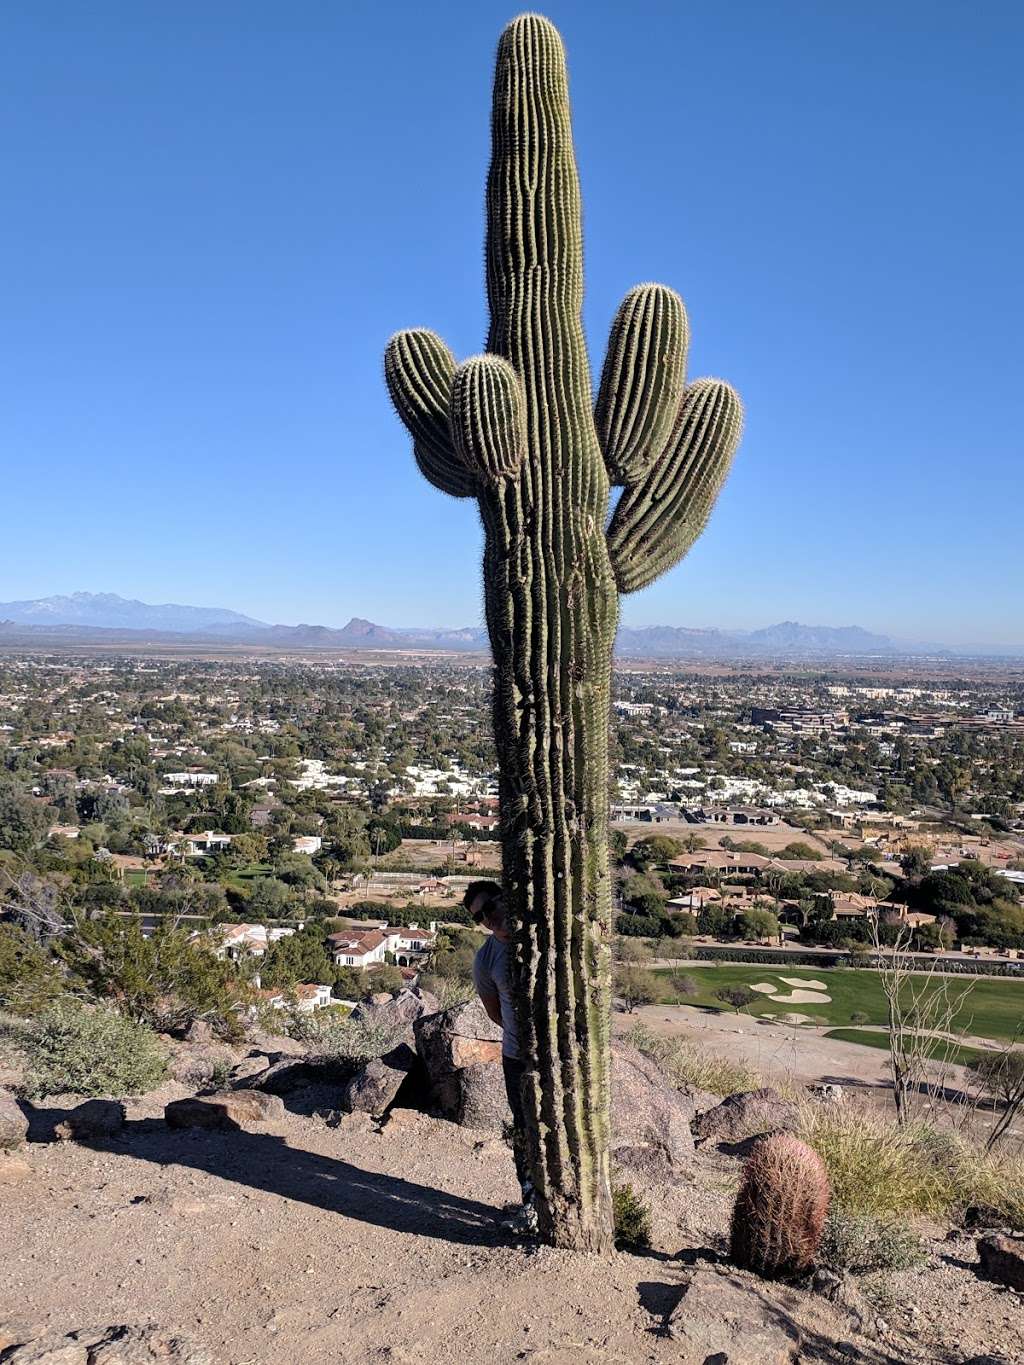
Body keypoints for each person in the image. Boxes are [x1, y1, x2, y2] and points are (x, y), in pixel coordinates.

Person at [464, 879, 535, 1228]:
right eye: (481, 917)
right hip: (517, 1056)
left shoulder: (543, 933)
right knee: (525, 1130)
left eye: (491, 907)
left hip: (563, 1053)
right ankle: (532, 1203)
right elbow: (494, 1013)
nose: (490, 919)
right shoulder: (486, 959)